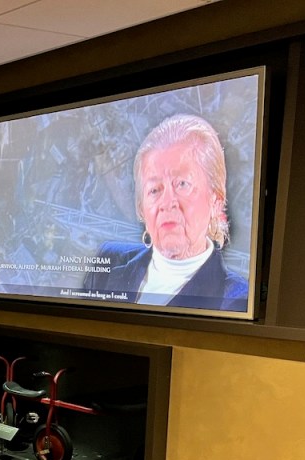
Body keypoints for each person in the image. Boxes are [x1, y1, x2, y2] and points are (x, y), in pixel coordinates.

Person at [83, 113, 248, 312]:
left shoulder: (237, 299)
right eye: (154, 190)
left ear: (216, 200)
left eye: (182, 184)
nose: (167, 203)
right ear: (141, 208)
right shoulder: (108, 262)